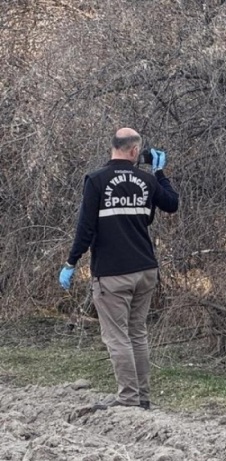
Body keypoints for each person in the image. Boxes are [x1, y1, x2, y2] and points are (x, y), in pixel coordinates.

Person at [59, 128, 179, 411]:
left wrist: (71, 262)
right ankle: (142, 398)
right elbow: (172, 204)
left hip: (113, 273)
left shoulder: (96, 180)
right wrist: (160, 173)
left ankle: (127, 399)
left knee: (117, 337)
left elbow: (85, 227)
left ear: (113, 146)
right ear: (135, 151)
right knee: (137, 333)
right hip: (145, 268)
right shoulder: (147, 179)